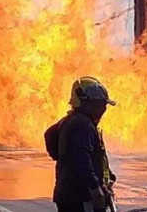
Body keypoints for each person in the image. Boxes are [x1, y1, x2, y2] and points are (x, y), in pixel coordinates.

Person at [45, 76, 117, 212]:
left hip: (69, 194)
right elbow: (81, 159)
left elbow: (49, 135)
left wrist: (106, 177)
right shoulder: (82, 124)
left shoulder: (71, 120)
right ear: (86, 102)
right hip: (80, 197)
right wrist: (95, 188)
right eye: (100, 104)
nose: (103, 109)